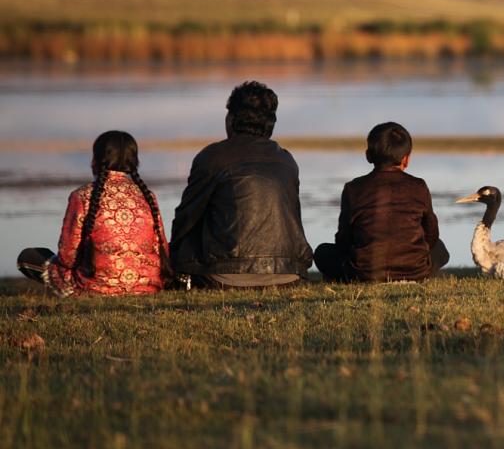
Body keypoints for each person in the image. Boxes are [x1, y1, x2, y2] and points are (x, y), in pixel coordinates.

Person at [170, 81, 312, 288]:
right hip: (289, 274)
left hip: (226, 275)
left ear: (232, 119)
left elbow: (186, 218)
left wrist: (171, 257)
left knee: (191, 229)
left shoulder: (213, 157)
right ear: (270, 124)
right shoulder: (287, 160)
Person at [17, 130, 170, 296]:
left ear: (95, 161)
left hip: (94, 288)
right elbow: (162, 249)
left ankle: (68, 291)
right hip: (147, 287)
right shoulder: (148, 195)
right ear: (134, 161)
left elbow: (68, 257)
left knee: (28, 257)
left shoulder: (82, 196)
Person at [314, 121, 449, 282]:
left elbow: (344, 239)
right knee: (440, 248)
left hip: (364, 274)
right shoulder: (419, 186)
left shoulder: (353, 188)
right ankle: (421, 277)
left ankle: (341, 280)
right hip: (415, 271)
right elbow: (432, 234)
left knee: (322, 252)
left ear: (368, 155)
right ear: (406, 160)